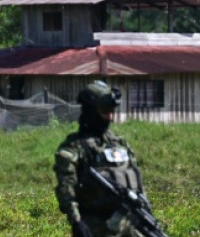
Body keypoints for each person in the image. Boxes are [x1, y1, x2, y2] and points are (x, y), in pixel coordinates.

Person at [54, 81, 164, 237]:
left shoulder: (120, 144)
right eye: (105, 112)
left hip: (131, 224)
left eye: (112, 112)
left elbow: (137, 184)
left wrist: (147, 213)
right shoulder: (74, 148)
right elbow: (66, 189)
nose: (110, 117)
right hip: (97, 228)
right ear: (91, 111)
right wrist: (77, 222)